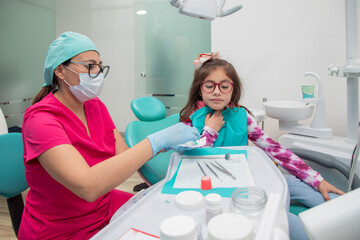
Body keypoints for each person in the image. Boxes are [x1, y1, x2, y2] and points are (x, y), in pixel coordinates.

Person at [19, 32, 200, 239]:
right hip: (61, 227)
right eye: (90, 66)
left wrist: (165, 148)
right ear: (60, 70)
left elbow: (124, 157)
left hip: (103, 207)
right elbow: (87, 186)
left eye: (99, 66)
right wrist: (156, 141)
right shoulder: (41, 120)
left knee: (169, 216)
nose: (97, 73)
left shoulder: (95, 107)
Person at [179, 52, 345, 240]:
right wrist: (210, 131)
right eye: (209, 86)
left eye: (224, 86)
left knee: (329, 199)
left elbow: (276, 151)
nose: (217, 92)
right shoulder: (191, 122)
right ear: (200, 90)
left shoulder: (242, 116)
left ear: (233, 90)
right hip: (228, 191)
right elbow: (191, 162)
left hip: (252, 176)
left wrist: (316, 179)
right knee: (290, 223)